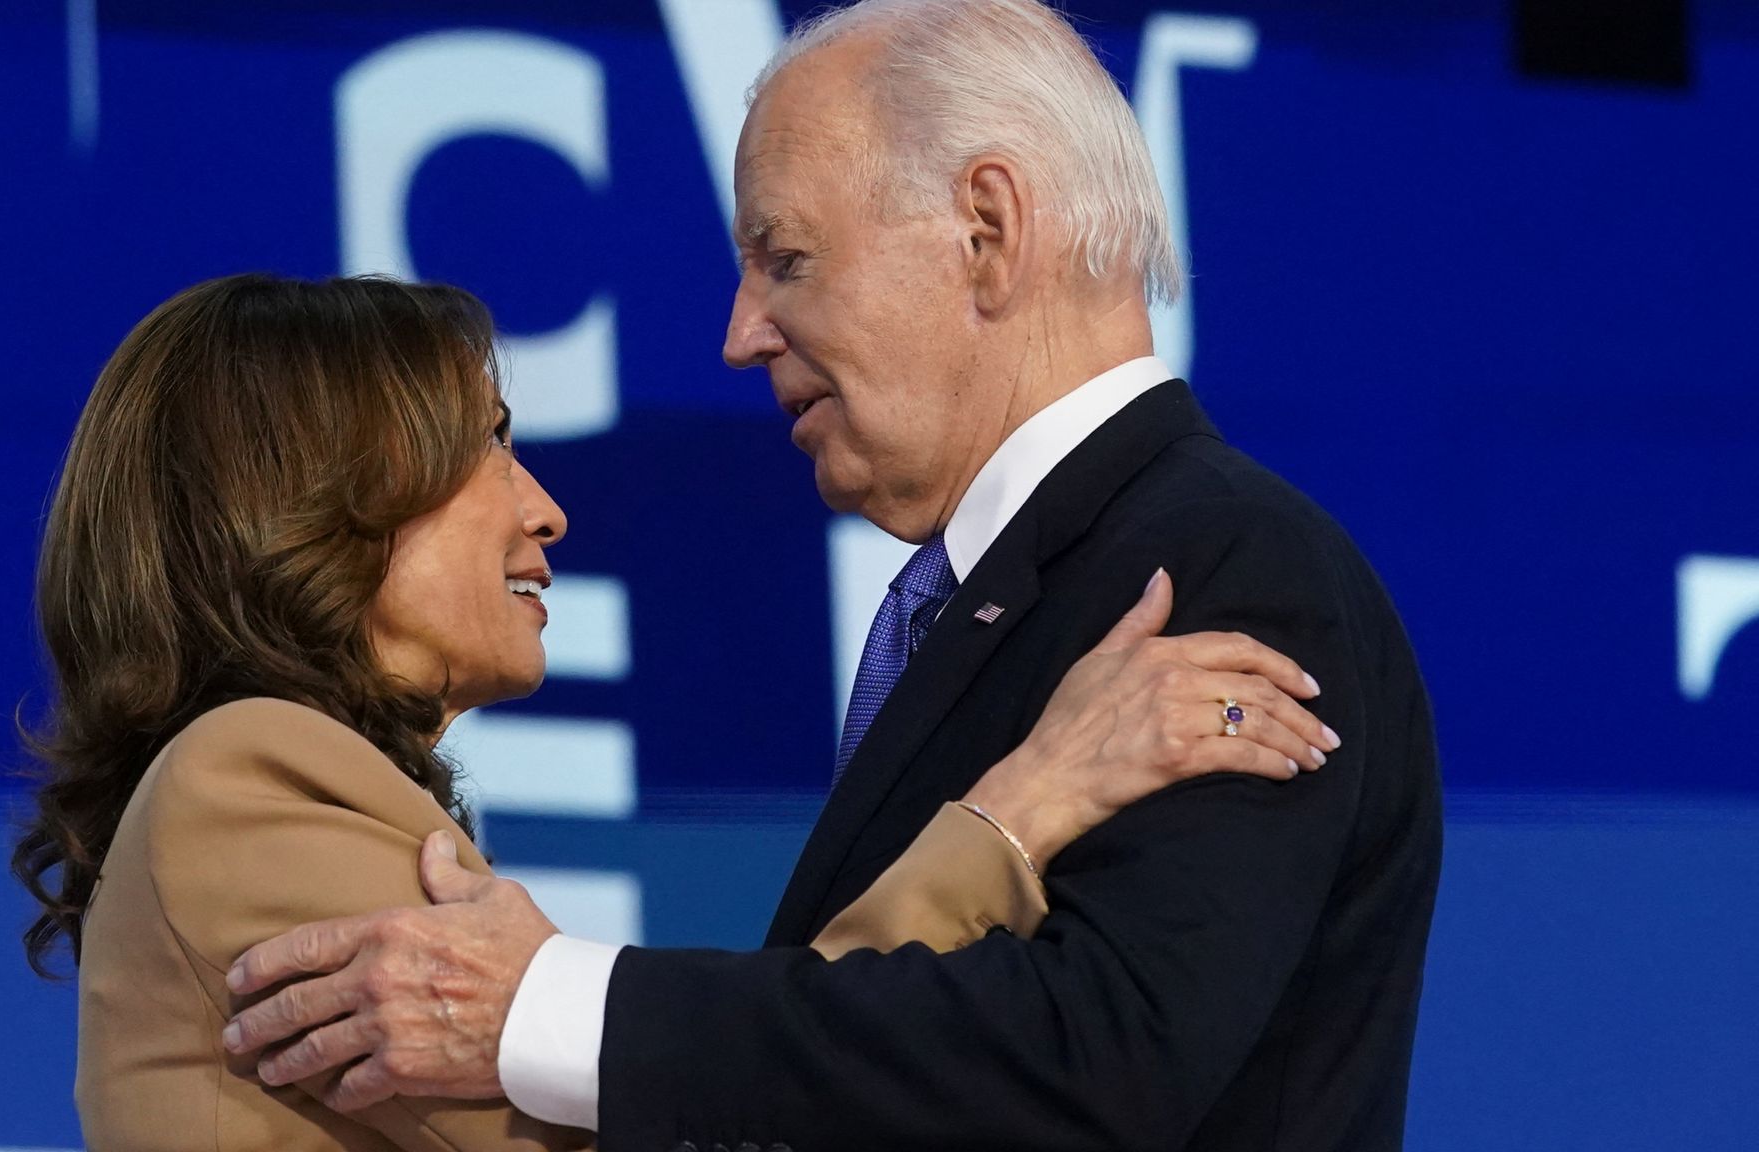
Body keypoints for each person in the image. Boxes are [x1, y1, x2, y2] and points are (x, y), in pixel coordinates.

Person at [221, 1, 1444, 1150]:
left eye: (786, 258)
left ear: (987, 230)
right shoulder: (1015, 588)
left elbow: (1105, 1052)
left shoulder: (1217, 568)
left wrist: (557, 1010)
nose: (740, 332)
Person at [12, 273, 1329, 1150]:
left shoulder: (280, 787)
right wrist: (1026, 805)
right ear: (310, 499)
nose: (542, 509)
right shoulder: (255, 769)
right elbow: (741, 1127)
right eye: (483, 448)